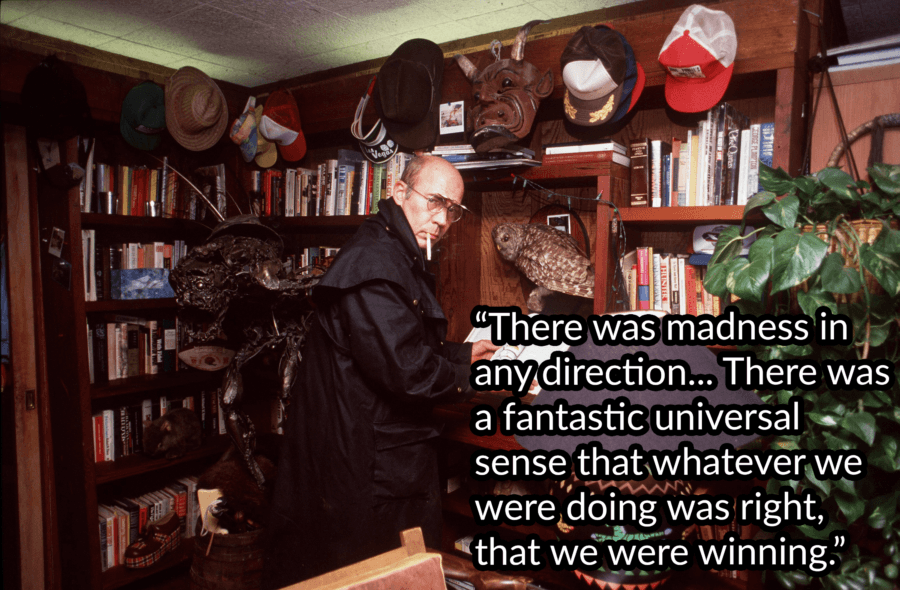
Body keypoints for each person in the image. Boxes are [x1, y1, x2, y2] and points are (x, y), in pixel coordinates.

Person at [261, 155, 498, 588]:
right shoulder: (375, 262)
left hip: (368, 443)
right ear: (400, 192)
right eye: (436, 202)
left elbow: (401, 340)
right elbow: (407, 370)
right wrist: (478, 378)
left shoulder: (395, 249)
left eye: (454, 210)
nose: (443, 219)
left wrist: (463, 356)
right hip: (360, 454)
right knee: (374, 569)